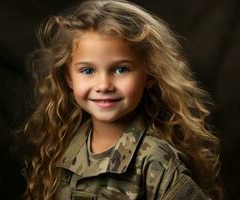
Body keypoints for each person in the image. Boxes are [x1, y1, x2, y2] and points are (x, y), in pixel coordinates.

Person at [21, 0, 222, 199]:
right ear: (69, 79)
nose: (104, 85)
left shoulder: (154, 160)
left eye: (120, 69)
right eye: (87, 70)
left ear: (150, 75)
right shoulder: (64, 147)